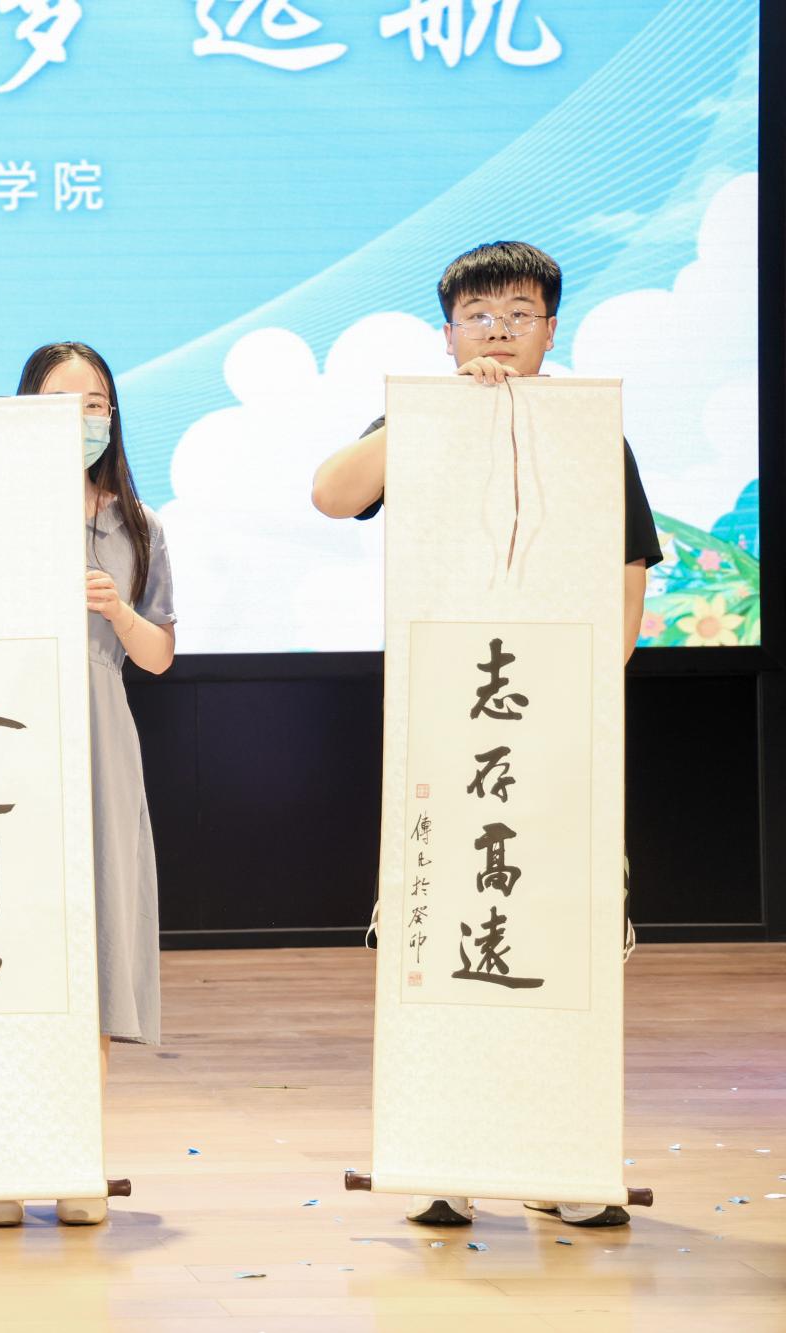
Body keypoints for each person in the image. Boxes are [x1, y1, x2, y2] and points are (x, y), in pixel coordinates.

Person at [311, 239, 662, 1230]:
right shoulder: (419, 419)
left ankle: (558, 1157)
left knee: (554, 937)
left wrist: (581, 701)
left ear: (551, 329)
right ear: (447, 332)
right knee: (444, 933)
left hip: (553, 735)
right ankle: (442, 1158)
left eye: (517, 314)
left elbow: (626, 585)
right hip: (449, 736)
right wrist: (426, 413)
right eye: (477, 315)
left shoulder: (591, 432)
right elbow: (332, 494)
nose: (497, 332)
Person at [0, 340, 177, 1227]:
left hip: (99, 733)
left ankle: (76, 1156)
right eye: (62, 402)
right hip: (3, 732)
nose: (83, 418)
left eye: (96, 402)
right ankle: (2, 1151)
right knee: (9, 937)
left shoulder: (139, 525)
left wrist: (119, 610)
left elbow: (159, 654)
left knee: (90, 950)